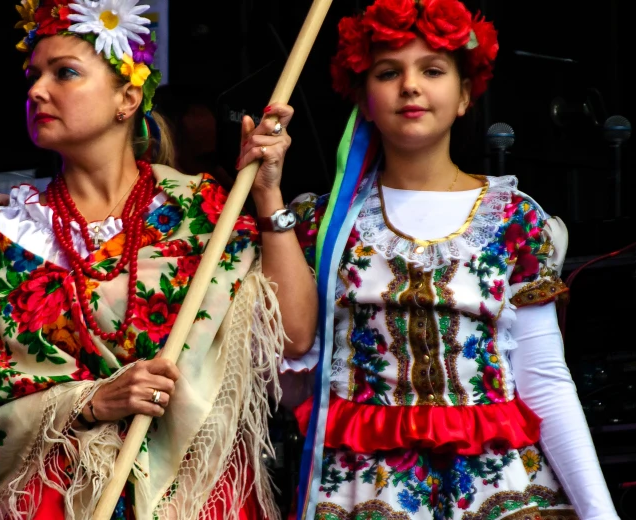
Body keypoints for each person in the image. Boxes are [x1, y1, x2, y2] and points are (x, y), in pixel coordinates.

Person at [242, 0, 622, 518]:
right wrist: (268, 195)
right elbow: (289, 358)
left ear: (465, 96)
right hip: (361, 491)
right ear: (363, 98)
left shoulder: (514, 218)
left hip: (498, 491)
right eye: (388, 72)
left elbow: (546, 382)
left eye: (433, 70)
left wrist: (601, 513)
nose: (411, 86)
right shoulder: (322, 224)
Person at [0, 1, 306, 518]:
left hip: (198, 496)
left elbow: (294, 337)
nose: (37, 91)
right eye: (33, 76)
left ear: (127, 98)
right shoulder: (1, 234)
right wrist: (90, 402)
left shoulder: (200, 211)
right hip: (58, 499)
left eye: (64, 73)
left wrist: (267, 195)